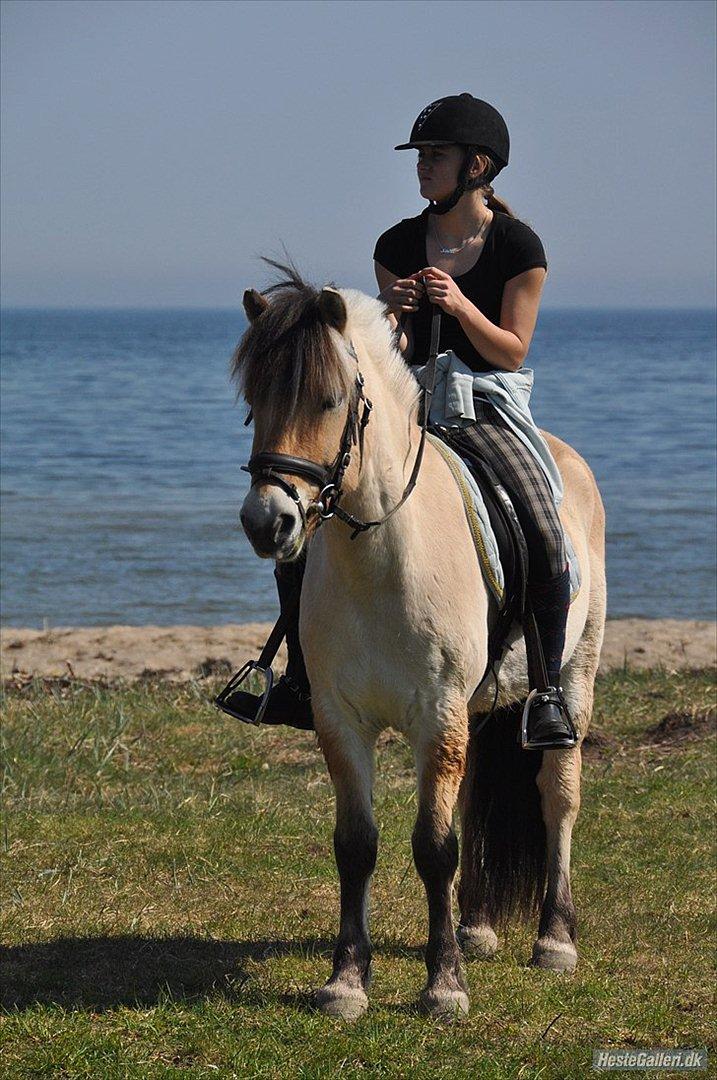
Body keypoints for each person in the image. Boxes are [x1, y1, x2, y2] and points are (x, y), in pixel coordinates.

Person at [237, 93, 576, 748]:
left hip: (487, 402)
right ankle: (300, 676)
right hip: (405, 403)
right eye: (419, 156)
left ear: (477, 166)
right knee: (311, 514)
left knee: (542, 524)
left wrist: (457, 304)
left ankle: (547, 691)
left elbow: (512, 348)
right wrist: (386, 317)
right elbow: (385, 352)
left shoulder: (517, 245)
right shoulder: (395, 243)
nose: (421, 168)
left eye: (435, 156)